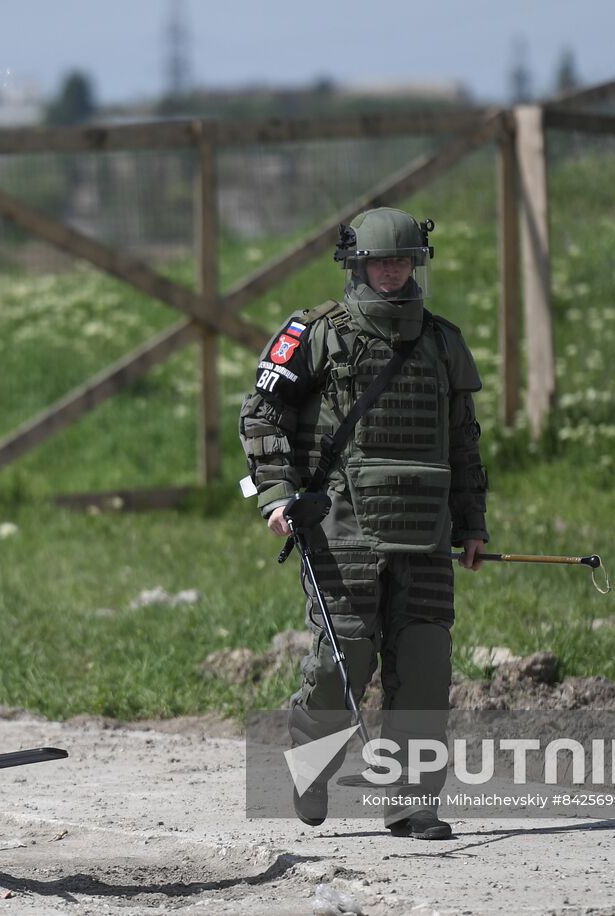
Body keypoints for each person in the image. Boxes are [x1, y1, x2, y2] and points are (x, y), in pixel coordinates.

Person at [237, 207, 489, 840]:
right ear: (355, 263)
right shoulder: (316, 333)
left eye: (402, 261)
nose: (392, 271)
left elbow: (463, 442)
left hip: (424, 530)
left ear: (417, 264)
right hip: (341, 525)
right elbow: (262, 413)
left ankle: (411, 801)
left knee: (426, 663)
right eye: (380, 261)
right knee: (342, 663)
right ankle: (311, 765)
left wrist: (473, 523)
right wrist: (276, 494)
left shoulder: (442, 342)